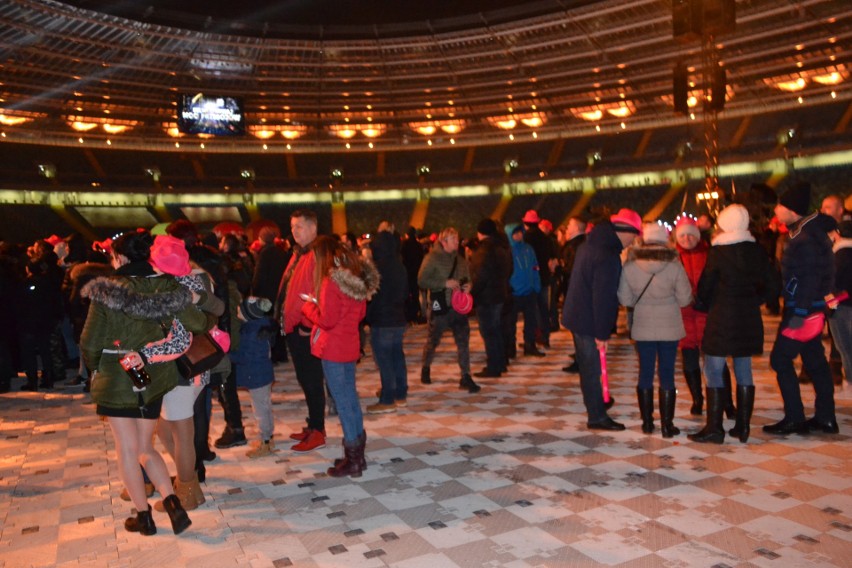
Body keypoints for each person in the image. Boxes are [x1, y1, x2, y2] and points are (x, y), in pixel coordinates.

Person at [80, 230, 195, 536]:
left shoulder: (107, 290)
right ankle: (172, 502)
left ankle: (143, 516)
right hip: (149, 372)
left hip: (118, 370)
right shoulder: (167, 286)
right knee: (145, 445)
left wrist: (95, 369)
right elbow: (195, 322)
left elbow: (90, 342)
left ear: (119, 257)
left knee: (127, 449)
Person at [149, 235, 222, 509]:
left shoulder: (164, 289)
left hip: (176, 368)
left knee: (180, 432)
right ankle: (186, 477)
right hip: (197, 364)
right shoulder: (200, 280)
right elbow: (215, 311)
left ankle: (188, 490)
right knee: (168, 429)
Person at [689, 204, 769, 443]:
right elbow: (773, 284)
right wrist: (755, 300)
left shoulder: (718, 252)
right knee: (744, 369)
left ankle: (715, 428)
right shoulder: (757, 251)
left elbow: (705, 287)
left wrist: (703, 304)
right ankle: (742, 427)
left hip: (722, 316)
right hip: (748, 317)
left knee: (713, 368)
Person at [301, 236, 379, 477]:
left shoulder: (330, 282)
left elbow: (327, 320)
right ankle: (357, 456)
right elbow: (358, 315)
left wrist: (309, 307)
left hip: (333, 349)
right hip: (349, 346)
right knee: (351, 400)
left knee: (343, 403)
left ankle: (353, 461)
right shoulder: (355, 280)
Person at [765, 183, 839, 435]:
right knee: (815, 360)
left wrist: (798, 313)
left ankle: (795, 417)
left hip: (803, 310)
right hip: (811, 308)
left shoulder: (805, 238)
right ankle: (826, 417)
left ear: (791, 210)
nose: (776, 209)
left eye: (780, 205)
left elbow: (809, 279)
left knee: (780, 359)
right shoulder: (805, 231)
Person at [562, 208, 642, 431]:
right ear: (625, 232)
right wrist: (602, 333)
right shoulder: (607, 256)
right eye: (634, 236)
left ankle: (597, 405)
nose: (633, 241)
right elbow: (604, 299)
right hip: (588, 320)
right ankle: (596, 416)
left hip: (577, 315)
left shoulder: (590, 244)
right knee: (591, 369)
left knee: (588, 368)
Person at [618, 222, 692, 437]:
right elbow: (685, 298)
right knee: (667, 374)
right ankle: (667, 426)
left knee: (645, 373)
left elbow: (624, 298)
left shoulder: (630, 265)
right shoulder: (675, 265)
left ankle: (647, 422)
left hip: (643, 326)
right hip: (669, 326)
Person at [277, 209, 328, 451]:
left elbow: (318, 293)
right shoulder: (299, 253)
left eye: (299, 226)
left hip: (305, 328)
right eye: (293, 226)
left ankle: (318, 429)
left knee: (312, 380)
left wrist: (308, 326)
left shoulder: (317, 254)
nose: (294, 231)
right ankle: (313, 424)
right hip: (295, 326)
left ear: (312, 228)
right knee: (304, 379)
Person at [418, 227, 480, 393]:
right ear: (444, 242)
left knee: (463, 342)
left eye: (457, 238)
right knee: (433, 340)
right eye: (453, 239)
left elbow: (467, 277)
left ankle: (465, 376)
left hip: (458, 307)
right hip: (441, 307)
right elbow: (422, 280)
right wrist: (443, 283)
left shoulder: (460, 260)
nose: (457, 242)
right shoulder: (432, 258)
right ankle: (426, 366)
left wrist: (468, 287)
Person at [365, 231, 409, 413]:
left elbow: (373, 298)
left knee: (384, 360)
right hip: (398, 318)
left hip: (382, 320)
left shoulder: (376, 268)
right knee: (397, 356)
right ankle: (400, 393)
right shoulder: (400, 266)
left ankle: (387, 398)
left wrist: (368, 317)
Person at [232, 296, 277, 458]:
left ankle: (265, 441)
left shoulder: (251, 333)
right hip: (262, 374)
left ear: (248, 315)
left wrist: (228, 354)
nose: (237, 310)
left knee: (260, 410)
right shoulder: (258, 327)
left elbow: (244, 357)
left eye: (240, 309)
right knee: (265, 406)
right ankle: (268, 438)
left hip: (257, 376)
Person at [674, 217, 709, 415]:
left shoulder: (709, 253)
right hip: (684, 315)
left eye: (690, 234)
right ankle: (697, 398)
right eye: (682, 235)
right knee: (689, 362)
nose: (687, 238)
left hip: (706, 314)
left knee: (715, 362)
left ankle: (725, 400)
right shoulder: (672, 256)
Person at [470, 218, 511, 379]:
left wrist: (472, 295)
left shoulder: (484, 250)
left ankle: (494, 366)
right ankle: (500, 362)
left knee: (489, 332)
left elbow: (480, 277)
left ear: (480, 233)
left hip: (487, 297)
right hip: (500, 293)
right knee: (497, 330)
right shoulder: (502, 247)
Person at [504, 223, 543, 358]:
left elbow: (535, 267)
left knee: (531, 321)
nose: (518, 235)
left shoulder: (528, 249)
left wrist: (536, 284)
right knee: (510, 323)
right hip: (514, 293)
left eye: (520, 232)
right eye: (515, 233)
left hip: (529, 291)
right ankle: (510, 348)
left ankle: (530, 345)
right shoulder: (507, 251)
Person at [522, 210, 557, 349]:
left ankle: (534, 337)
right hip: (544, 277)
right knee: (543, 309)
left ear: (525, 223)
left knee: (532, 310)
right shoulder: (545, 238)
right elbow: (552, 257)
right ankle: (545, 337)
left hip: (531, 279)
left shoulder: (526, 239)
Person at [560, 216, 587, 373]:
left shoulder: (575, 246)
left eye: (569, 225)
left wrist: (558, 268)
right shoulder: (583, 243)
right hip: (578, 290)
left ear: (576, 228)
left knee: (577, 328)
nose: (567, 228)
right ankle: (580, 356)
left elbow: (572, 271)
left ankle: (581, 359)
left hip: (574, 291)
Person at [829, 220, 852, 386]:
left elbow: (832, 283)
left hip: (842, 307)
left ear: (837, 234)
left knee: (845, 348)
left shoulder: (839, 254)